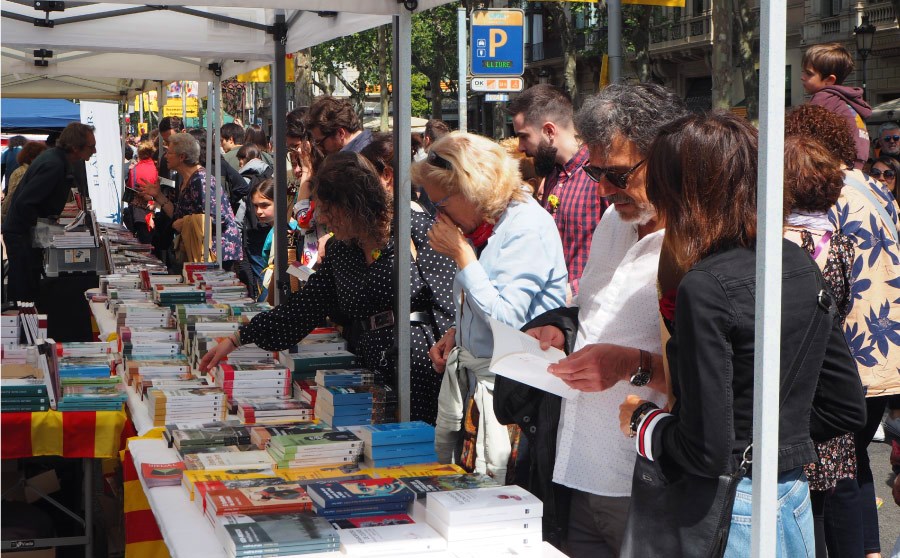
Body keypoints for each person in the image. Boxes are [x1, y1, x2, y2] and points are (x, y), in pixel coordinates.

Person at [619, 110, 866, 558]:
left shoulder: (705, 286)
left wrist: (642, 424)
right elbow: (846, 404)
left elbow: (704, 448)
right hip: (790, 497)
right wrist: (775, 438)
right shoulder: (796, 262)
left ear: (683, 195)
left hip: (732, 509)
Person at [493, 83, 688, 554]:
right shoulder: (613, 223)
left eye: (617, 174)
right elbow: (591, 310)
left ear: (665, 157)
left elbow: (722, 379)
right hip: (578, 468)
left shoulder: (695, 245)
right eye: (597, 171)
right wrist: (560, 327)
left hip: (647, 481)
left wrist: (630, 365)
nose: (602, 189)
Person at [198, 152, 456, 425]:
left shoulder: (414, 230)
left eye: (328, 210)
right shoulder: (342, 250)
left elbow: (450, 305)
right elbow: (303, 308)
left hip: (422, 365)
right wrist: (239, 338)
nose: (323, 218)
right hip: (372, 368)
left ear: (353, 204)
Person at [414, 132, 567, 484]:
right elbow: (486, 300)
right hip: (484, 386)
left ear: (472, 191)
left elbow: (509, 318)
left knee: (501, 495)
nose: (439, 215)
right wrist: (458, 333)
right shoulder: (489, 225)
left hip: (516, 400)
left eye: (442, 205)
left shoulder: (525, 224)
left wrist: (463, 256)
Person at [786, 104, 900, 558]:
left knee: (833, 478)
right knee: (851, 469)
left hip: (848, 358)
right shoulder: (873, 186)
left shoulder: (820, 191)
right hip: (884, 349)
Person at [782, 134, 862, 558]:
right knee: (824, 504)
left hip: (792, 391)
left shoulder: (772, 246)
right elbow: (843, 307)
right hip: (829, 383)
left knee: (796, 514)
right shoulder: (842, 246)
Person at [508, 84, 608, 298]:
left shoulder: (602, 176)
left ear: (549, 131)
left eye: (524, 136)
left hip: (587, 315)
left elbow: (622, 256)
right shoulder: (552, 174)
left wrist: (571, 291)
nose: (520, 147)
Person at [2, 123, 95, 301]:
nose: (94, 151)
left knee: (26, 288)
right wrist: (46, 232)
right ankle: (21, 325)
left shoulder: (55, 159)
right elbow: (25, 204)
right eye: (91, 147)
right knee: (24, 292)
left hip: (24, 234)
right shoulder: (54, 164)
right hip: (22, 236)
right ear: (75, 147)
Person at [137, 132, 242, 268]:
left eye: (169, 153)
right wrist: (158, 195)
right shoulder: (185, 179)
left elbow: (219, 218)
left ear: (182, 157)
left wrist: (185, 223)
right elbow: (177, 214)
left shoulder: (202, 181)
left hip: (217, 251)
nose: (166, 156)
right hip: (200, 249)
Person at [801, 42, 872, 168]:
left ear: (829, 80)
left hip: (840, 161)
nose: (802, 77)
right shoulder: (846, 100)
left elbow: (806, 131)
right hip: (859, 159)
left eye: (809, 73)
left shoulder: (823, 97)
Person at [305, 96, 372, 156]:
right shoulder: (375, 144)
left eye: (320, 143)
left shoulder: (353, 162)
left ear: (340, 133)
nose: (319, 148)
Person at [1, 141, 48, 219]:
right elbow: (12, 196)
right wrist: (4, 213)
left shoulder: (23, 171)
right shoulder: (25, 173)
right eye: (41, 156)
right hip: (20, 217)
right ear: (32, 157)